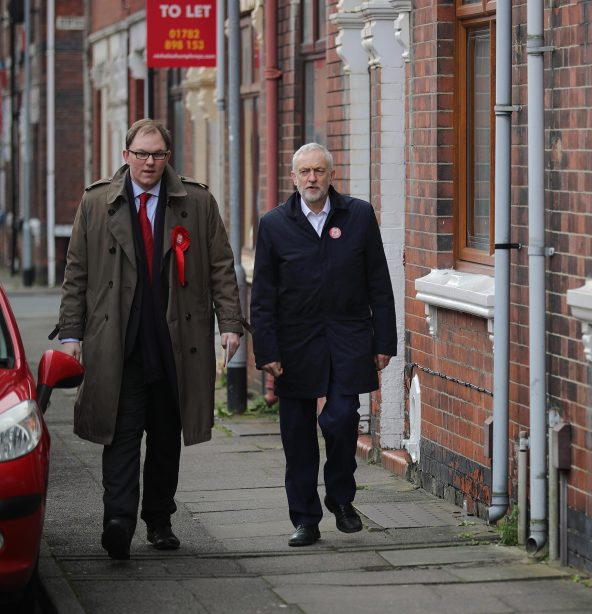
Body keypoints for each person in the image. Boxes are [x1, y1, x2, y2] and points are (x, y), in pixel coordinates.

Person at [55, 119, 244, 560]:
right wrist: (70, 334)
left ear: (168, 158)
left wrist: (230, 323)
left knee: (164, 436)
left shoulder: (195, 201)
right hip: (116, 342)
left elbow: (220, 264)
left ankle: (159, 520)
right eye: (140, 154)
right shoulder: (97, 202)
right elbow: (76, 273)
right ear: (126, 156)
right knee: (119, 433)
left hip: (176, 341)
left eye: (157, 154)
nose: (149, 162)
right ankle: (117, 520)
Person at [250, 143, 396, 547]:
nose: (312, 179)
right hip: (294, 344)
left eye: (319, 171)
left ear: (331, 175)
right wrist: (268, 352)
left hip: (348, 337)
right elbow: (262, 295)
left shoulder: (359, 215)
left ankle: (341, 498)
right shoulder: (275, 224)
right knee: (297, 437)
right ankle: (305, 519)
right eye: (304, 172)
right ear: (293, 178)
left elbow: (379, 283)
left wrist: (384, 341)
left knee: (342, 419)